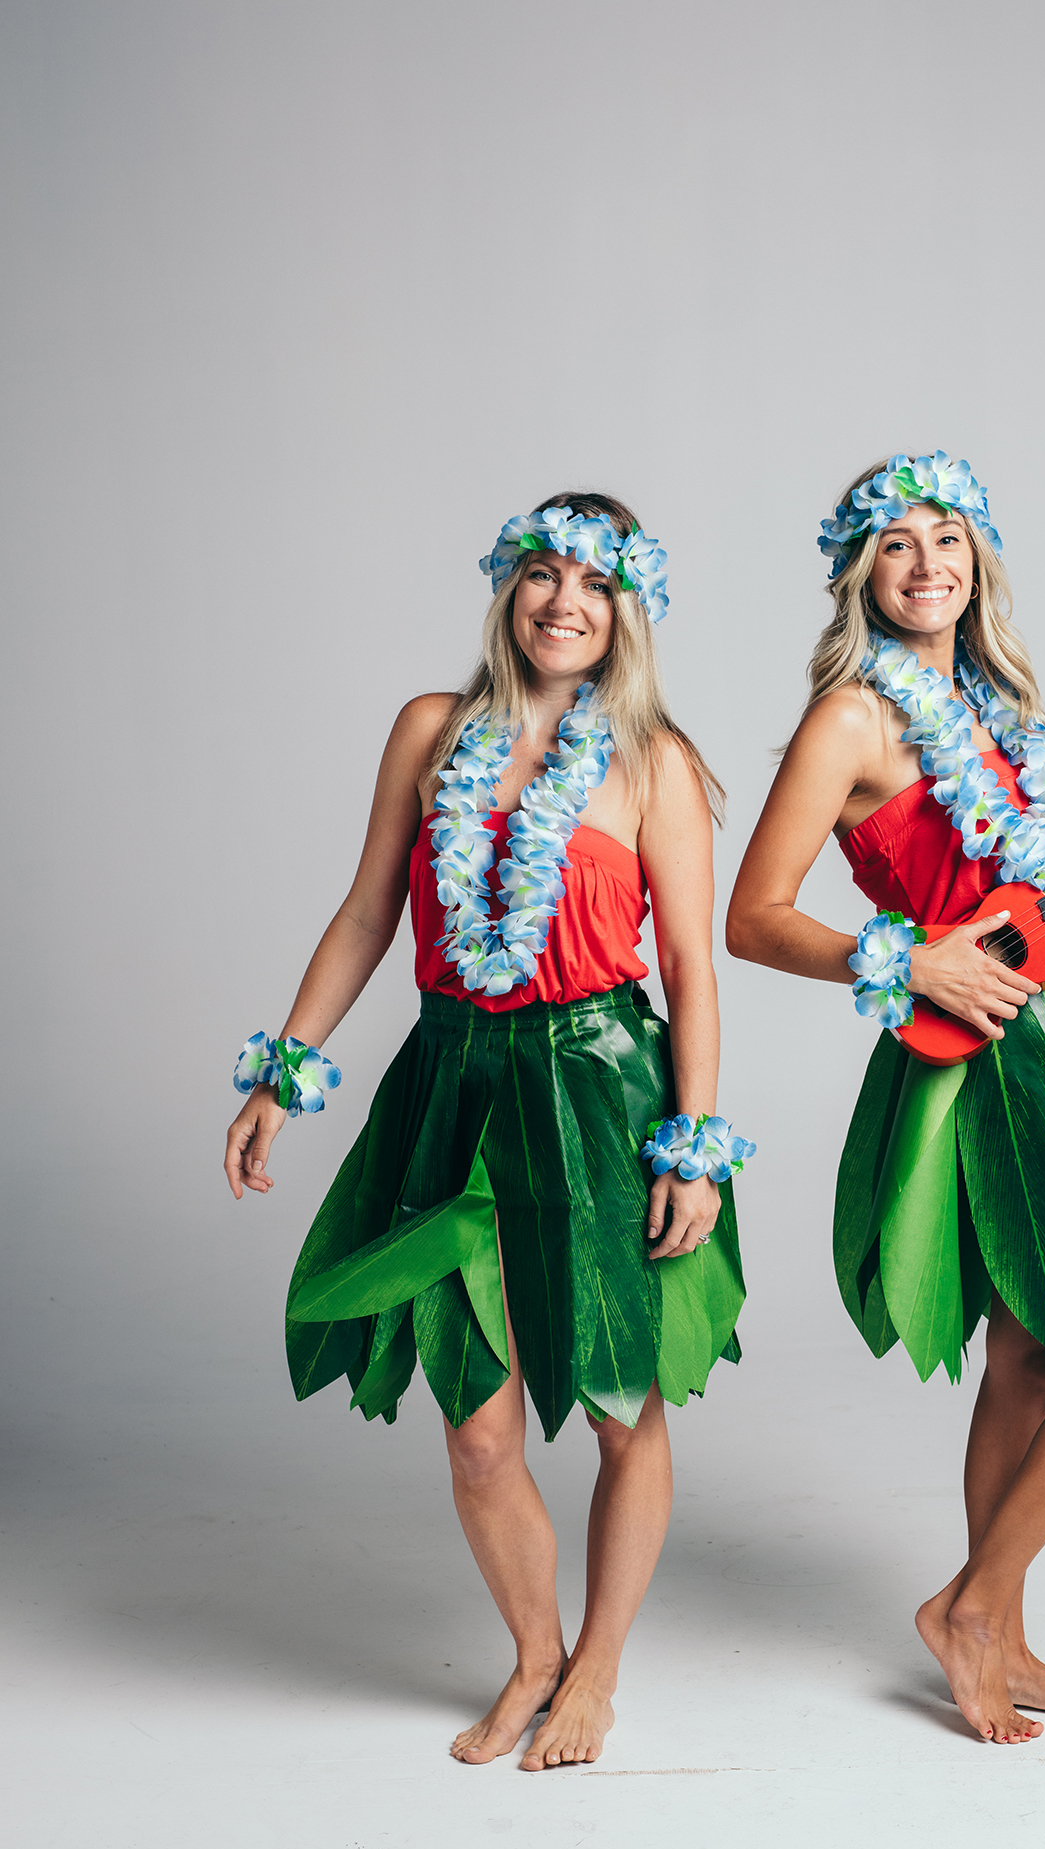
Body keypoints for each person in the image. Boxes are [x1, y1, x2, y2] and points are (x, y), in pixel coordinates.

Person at [224, 493, 753, 1770]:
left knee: (624, 1399)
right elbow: (365, 916)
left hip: (601, 1090)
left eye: (594, 584)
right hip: (452, 1082)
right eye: (541, 575)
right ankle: (535, 1655)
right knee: (476, 1422)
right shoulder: (430, 731)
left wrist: (694, 1141)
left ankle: (600, 1674)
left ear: (631, 611)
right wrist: (283, 1071)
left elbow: (690, 965)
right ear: (507, 591)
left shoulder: (653, 761)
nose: (563, 602)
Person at [727, 453, 1045, 1746]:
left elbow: (1024, 898)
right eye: (894, 544)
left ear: (978, 557)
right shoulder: (849, 720)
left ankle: (1003, 1628)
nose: (926, 563)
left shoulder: (1000, 713)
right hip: (981, 1061)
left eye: (947, 537)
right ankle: (973, 1610)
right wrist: (901, 955)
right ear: (858, 574)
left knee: (1034, 1350)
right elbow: (751, 917)